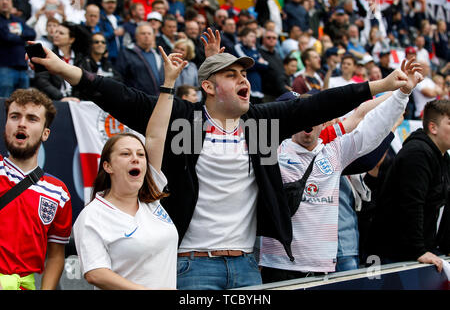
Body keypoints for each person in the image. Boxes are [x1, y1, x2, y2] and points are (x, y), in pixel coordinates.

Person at [30, 28, 413, 290]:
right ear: (210, 87)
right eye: (232, 74)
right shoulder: (186, 121)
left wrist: (380, 86)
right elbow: (120, 96)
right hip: (193, 265)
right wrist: (63, 68)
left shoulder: (260, 124)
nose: (244, 78)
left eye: (244, 72)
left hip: (247, 266)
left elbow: (318, 104)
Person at [259, 59, 420, 279]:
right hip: (278, 266)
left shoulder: (334, 152)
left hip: (322, 267)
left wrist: (402, 94)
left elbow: (372, 126)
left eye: (314, 117)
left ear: (324, 122)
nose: (308, 123)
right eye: (301, 117)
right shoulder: (271, 151)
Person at [73, 47, 186, 290]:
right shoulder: (93, 216)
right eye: (125, 154)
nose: (136, 158)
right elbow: (96, 273)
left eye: (140, 154)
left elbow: (155, 135)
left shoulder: (151, 200)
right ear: (108, 166)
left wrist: (168, 83)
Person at [0, 88, 72, 290]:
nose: (21, 123)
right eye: (15, 116)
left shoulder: (59, 193)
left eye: (32, 119)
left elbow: (56, 256)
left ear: (45, 133)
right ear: (6, 125)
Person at [368, 99, 450, 273]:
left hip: (418, 251)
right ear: (433, 128)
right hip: (394, 255)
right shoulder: (418, 153)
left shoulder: (442, 157)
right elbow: (411, 204)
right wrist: (419, 250)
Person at [34, 21, 90, 102]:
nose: (56, 35)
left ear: (71, 39)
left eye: (61, 33)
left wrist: (77, 98)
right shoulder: (46, 56)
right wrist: (60, 97)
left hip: (78, 102)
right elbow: (41, 80)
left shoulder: (81, 59)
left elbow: (85, 81)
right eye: (56, 32)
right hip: (54, 101)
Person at [0, 0, 36, 98]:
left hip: (22, 69)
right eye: (2, 0)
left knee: (23, 101)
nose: (5, 2)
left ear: (12, 4)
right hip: (5, 68)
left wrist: (18, 35)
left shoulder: (17, 20)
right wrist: (21, 37)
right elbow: (6, 36)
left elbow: (32, 33)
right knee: (4, 102)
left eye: (7, 0)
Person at [116, 22, 164, 96]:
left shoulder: (157, 55)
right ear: (136, 36)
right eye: (143, 33)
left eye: (149, 33)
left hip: (156, 100)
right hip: (136, 101)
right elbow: (119, 77)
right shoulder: (126, 53)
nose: (146, 36)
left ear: (153, 36)